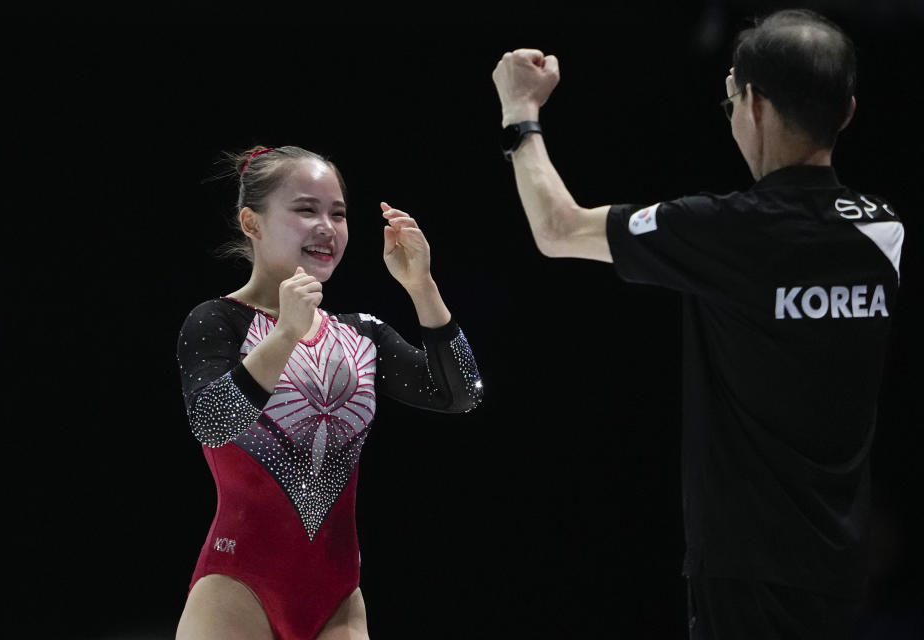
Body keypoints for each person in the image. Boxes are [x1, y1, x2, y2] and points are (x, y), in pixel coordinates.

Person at [492, 8, 903, 639]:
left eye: (732, 99)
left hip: (745, 568)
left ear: (756, 105)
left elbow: (556, 229)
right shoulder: (884, 230)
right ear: (847, 111)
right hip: (841, 564)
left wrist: (521, 114)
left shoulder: (728, 230)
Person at [174, 145, 482, 640]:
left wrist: (422, 286)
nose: (327, 226)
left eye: (337, 213)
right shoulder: (217, 320)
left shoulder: (361, 334)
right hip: (237, 585)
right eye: (305, 209)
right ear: (251, 223)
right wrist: (284, 335)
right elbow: (212, 423)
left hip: (338, 594)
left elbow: (461, 393)